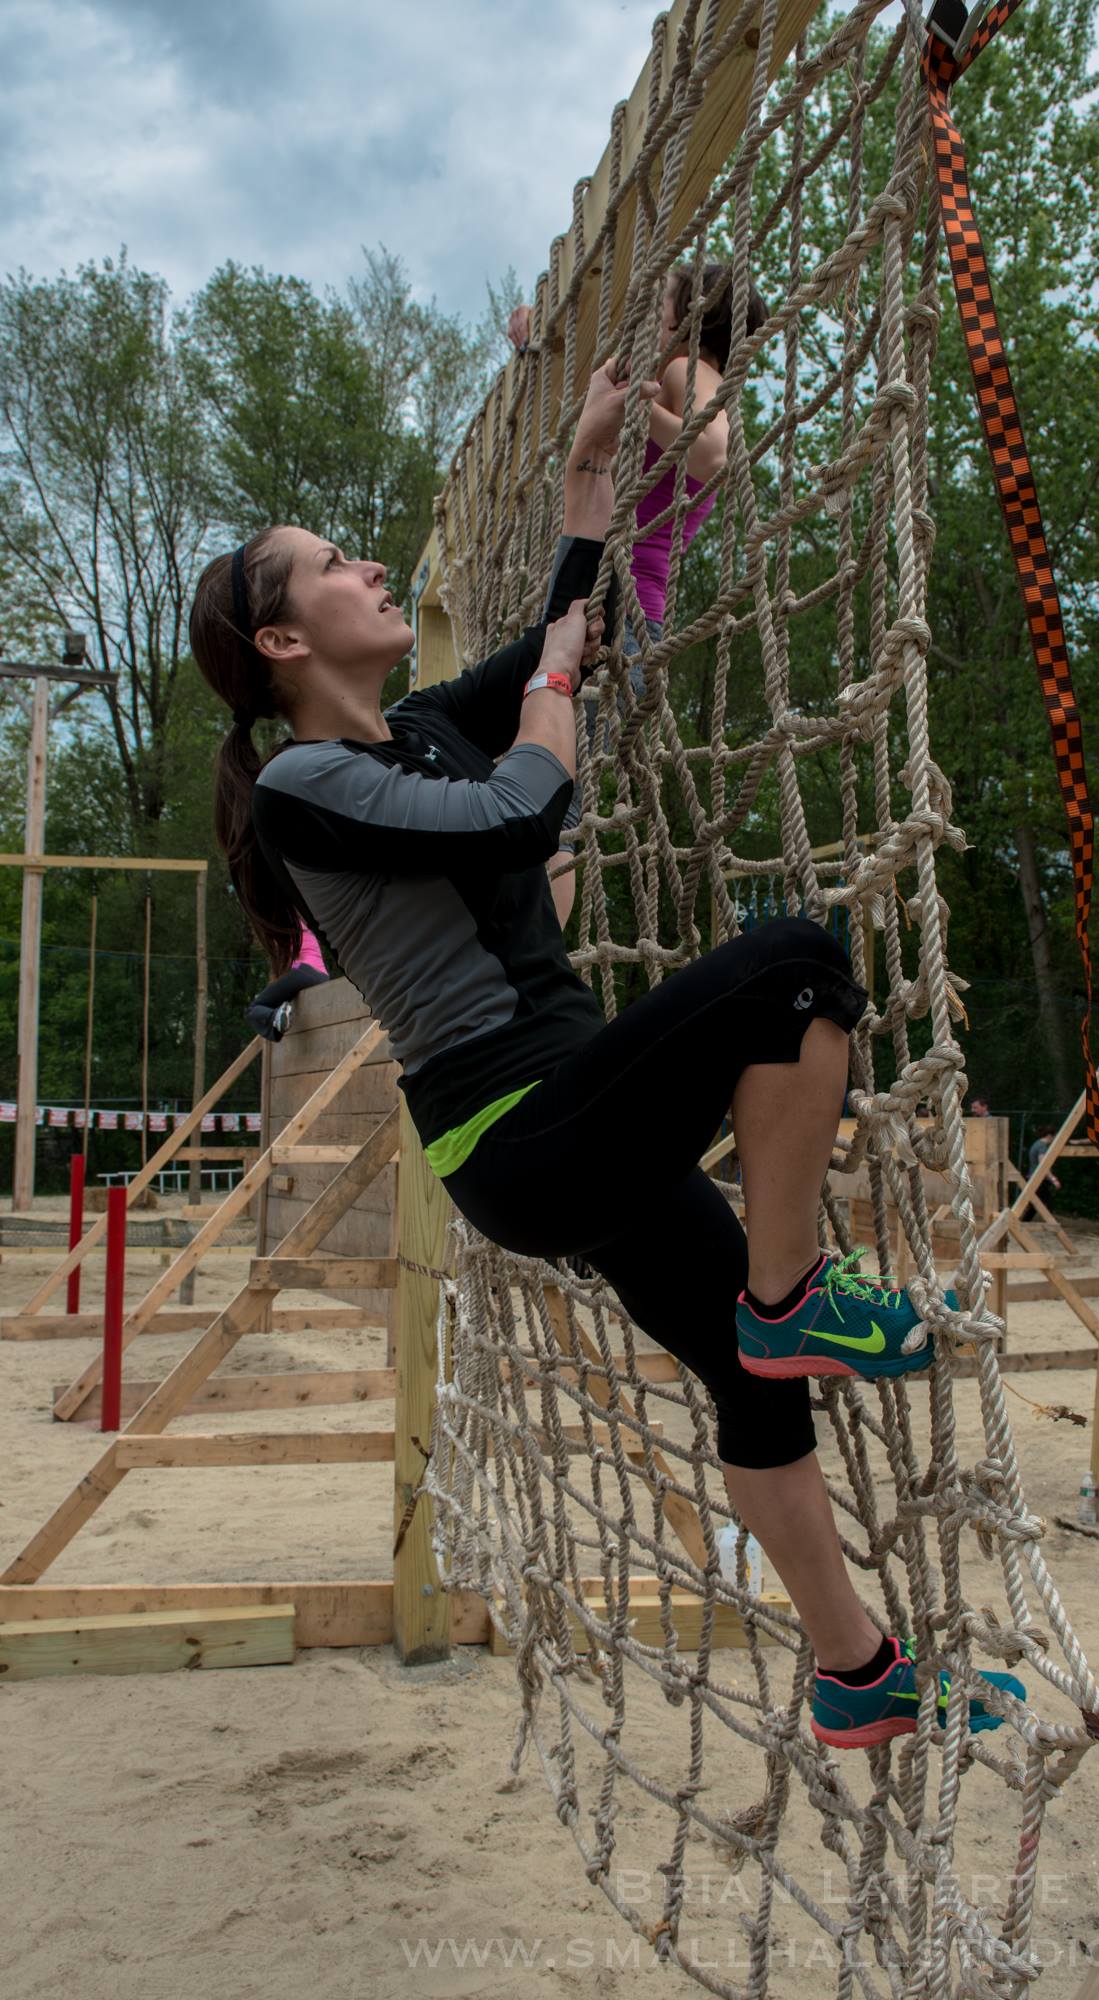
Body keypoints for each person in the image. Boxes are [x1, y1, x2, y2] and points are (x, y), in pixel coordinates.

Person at [190, 358, 1020, 1749]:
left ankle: (857, 1673)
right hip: (515, 1130)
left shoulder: (424, 728)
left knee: (746, 1385)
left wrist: (595, 468)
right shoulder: (304, 782)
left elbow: (571, 627)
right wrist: (557, 674)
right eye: (335, 564)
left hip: (576, 1111)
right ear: (282, 643)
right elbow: (526, 810)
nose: (373, 564)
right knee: (796, 967)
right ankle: (791, 1293)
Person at [508, 263, 765, 929]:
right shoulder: (681, 369)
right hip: (622, 604)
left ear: (690, 314)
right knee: (537, 791)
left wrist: (629, 402)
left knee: (545, 803)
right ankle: (526, 948)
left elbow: (711, 452)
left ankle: (532, 955)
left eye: (662, 304)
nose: (650, 314)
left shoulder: (686, 368)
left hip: (619, 607)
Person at [245, 921, 329, 1042]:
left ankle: (276, 1017)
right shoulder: (302, 926)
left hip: (303, 972)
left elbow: (283, 965)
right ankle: (278, 1017)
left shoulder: (281, 925)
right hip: (323, 977)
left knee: (253, 1009)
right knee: (274, 1004)